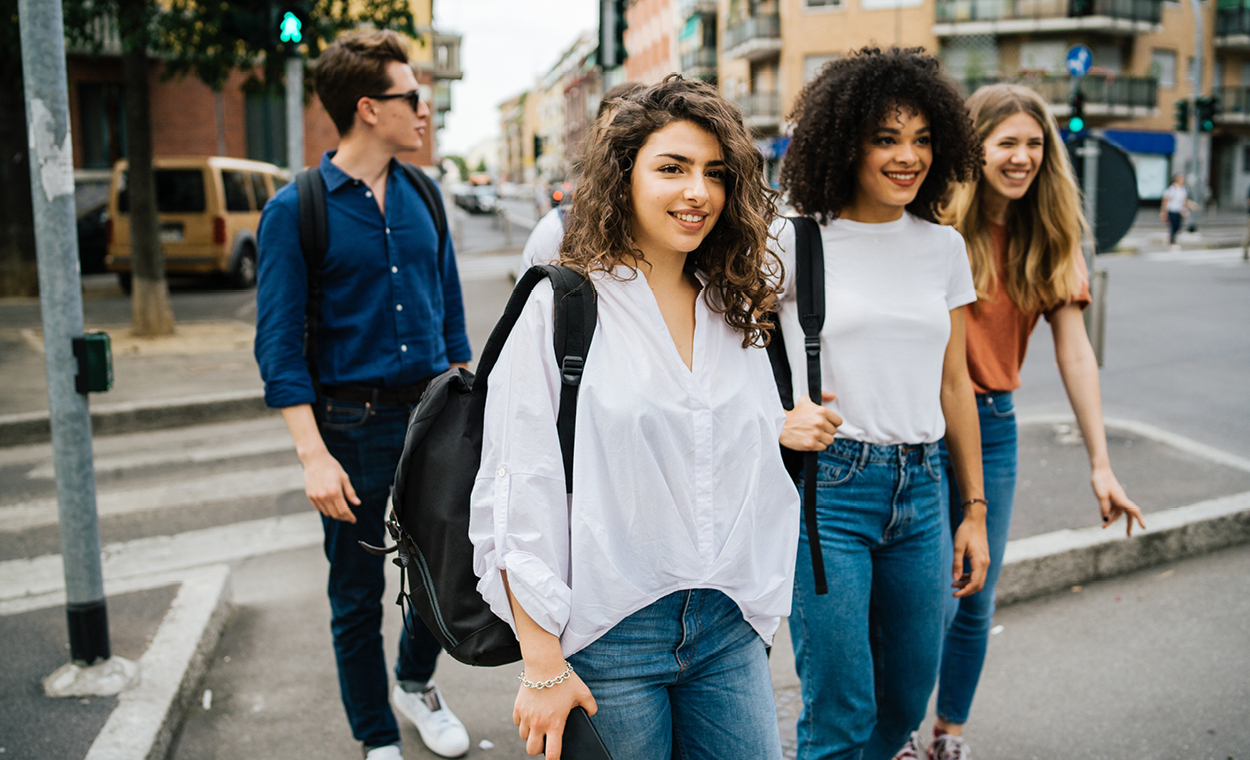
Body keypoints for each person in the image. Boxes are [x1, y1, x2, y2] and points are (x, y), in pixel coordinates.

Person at [469, 75, 799, 760]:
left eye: (715, 173)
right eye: (672, 168)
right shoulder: (562, 307)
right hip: (609, 632)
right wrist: (541, 661)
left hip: (727, 626)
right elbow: (517, 489)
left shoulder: (734, 307)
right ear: (624, 177)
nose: (698, 191)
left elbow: (747, 462)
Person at [900, 82, 1148, 760]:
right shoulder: (933, 225)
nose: (1022, 156)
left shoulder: (1051, 233)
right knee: (925, 600)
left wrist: (1101, 463)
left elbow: (1075, 351)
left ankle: (948, 735)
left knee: (974, 594)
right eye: (1007, 141)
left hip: (994, 425)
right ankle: (898, 735)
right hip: (920, 425)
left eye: (1035, 143)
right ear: (974, 148)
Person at [253, 30, 471, 760]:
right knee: (354, 595)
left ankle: (415, 683)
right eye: (413, 96)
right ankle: (377, 736)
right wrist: (312, 456)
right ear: (369, 108)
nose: (425, 109)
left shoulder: (426, 194)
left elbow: (451, 316)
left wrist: (473, 414)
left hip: (433, 416)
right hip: (350, 425)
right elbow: (279, 347)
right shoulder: (297, 209)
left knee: (448, 573)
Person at [772, 46, 991, 760]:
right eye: (887, 138)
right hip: (831, 490)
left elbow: (955, 384)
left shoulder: (943, 247)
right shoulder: (793, 239)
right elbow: (723, 356)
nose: (909, 156)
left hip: (923, 489)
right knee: (841, 709)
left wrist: (974, 512)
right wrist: (777, 418)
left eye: (923, 139)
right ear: (845, 142)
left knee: (904, 699)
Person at [519, 82, 645, 270]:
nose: (627, 148)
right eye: (615, 134)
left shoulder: (675, 225)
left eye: (638, 135)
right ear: (598, 141)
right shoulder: (556, 231)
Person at [1160, 173, 1195, 249]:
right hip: (1172, 209)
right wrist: (1163, 211)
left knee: (1178, 225)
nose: (1183, 180)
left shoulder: (1183, 189)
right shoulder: (1172, 189)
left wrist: (1189, 205)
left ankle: (1171, 239)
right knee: (1173, 225)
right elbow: (1165, 200)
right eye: (1181, 178)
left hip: (1179, 210)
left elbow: (1184, 200)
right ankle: (1172, 241)